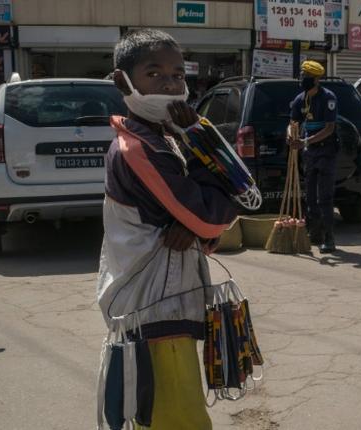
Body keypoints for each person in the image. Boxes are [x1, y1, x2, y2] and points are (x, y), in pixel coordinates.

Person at [97, 29, 237, 429]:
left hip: (161, 301)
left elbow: (217, 207)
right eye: (154, 74)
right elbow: (212, 213)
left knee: (156, 413)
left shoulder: (165, 137)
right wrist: (199, 215)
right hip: (155, 307)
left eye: (177, 74)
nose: (170, 84)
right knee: (179, 416)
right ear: (123, 81)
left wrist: (197, 139)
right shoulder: (140, 146)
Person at [287, 60, 339, 253]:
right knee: (309, 197)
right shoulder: (300, 99)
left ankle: (329, 238)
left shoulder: (328, 98)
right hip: (309, 153)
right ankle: (314, 233)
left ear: (316, 79)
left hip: (326, 151)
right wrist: (290, 135)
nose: (303, 79)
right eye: (302, 75)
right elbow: (293, 121)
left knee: (324, 197)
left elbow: (329, 128)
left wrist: (305, 142)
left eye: (306, 76)